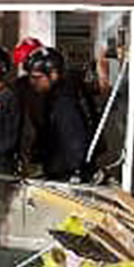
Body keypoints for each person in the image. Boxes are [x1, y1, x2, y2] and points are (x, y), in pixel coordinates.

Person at [25, 47, 93, 180]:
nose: (32, 82)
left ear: (54, 75)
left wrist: (59, 172)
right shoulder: (55, 96)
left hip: (67, 177)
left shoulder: (65, 102)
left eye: (37, 77)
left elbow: (74, 146)